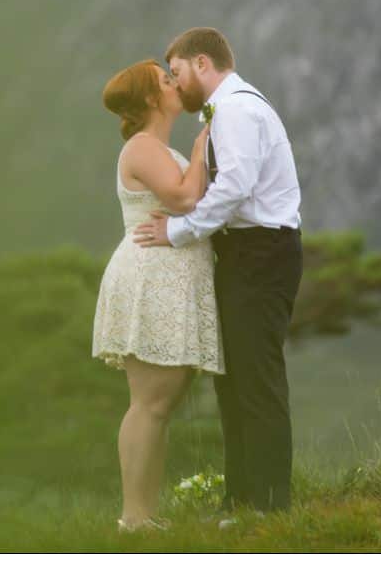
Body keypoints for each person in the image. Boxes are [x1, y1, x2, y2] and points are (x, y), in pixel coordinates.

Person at [133, 26, 303, 521]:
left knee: (257, 379)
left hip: (261, 253)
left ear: (203, 63)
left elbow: (234, 189)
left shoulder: (237, 109)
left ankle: (270, 506)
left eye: (179, 72)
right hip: (244, 254)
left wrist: (178, 231)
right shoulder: (226, 111)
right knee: (234, 380)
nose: (177, 83)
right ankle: (243, 500)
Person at [92, 58, 224, 533]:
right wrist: (201, 143)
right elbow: (185, 199)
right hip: (151, 279)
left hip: (170, 278)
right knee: (149, 403)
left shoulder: (156, 148)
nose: (175, 85)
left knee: (160, 404)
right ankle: (134, 516)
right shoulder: (143, 147)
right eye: (167, 81)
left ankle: (144, 514)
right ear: (151, 98)